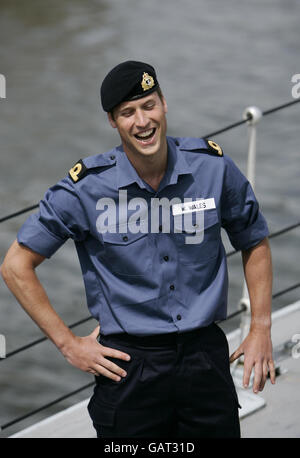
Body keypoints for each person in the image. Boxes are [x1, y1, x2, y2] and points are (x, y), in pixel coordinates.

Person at [0, 60, 275, 438]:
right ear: (113, 121)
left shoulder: (212, 168)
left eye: (149, 105)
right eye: (127, 113)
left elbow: (254, 239)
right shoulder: (85, 188)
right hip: (129, 369)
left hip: (205, 358)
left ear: (164, 103)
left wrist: (260, 327)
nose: (142, 121)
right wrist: (68, 345)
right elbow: (16, 266)